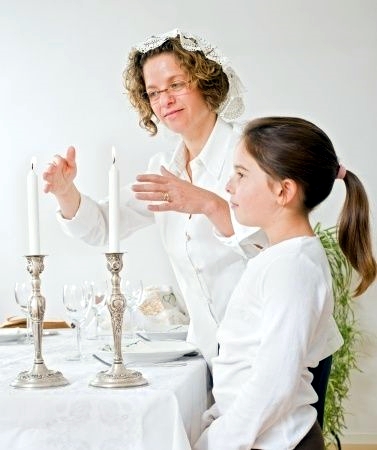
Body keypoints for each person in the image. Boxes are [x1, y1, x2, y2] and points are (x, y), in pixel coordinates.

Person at [42, 29, 267, 366]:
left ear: (205, 80)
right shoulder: (164, 168)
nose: (165, 101)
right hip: (210, 352)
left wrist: (208, 203)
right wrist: (65, 191)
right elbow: (104, 227)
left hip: (270, 343)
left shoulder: (253, 150)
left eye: (176, 85)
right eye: (154, 92)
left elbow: (275, 246)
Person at [194, 116, 377, 450]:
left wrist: (215, 442)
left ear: (283, 190)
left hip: (278, 443)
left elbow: (274, 383)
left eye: (241, 173)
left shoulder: (293, 267)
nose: (229, 186)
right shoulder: (282, 258)